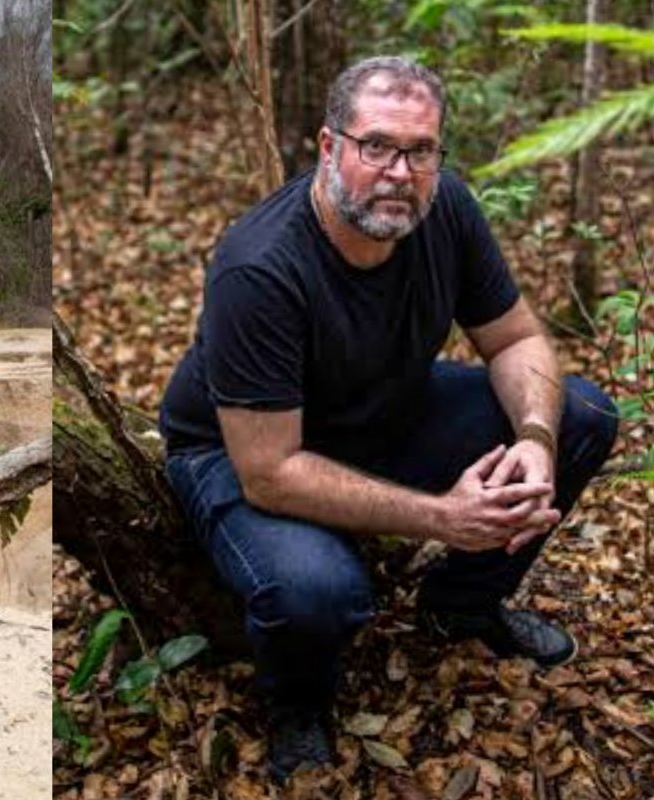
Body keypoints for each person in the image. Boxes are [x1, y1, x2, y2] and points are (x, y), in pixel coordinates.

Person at [158, 56, 617, 783]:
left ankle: (462, 608)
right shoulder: (261, 266)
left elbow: (519, 340)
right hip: (240, 449)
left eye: (420, 150)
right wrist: (441, 516)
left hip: (383, 404)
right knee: (318, 591)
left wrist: (534, 437)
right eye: (376, 146)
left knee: (581, 415)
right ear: (330, 146)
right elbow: (271, 472)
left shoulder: (448, 212)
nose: (399, 172)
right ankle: (298, 703)